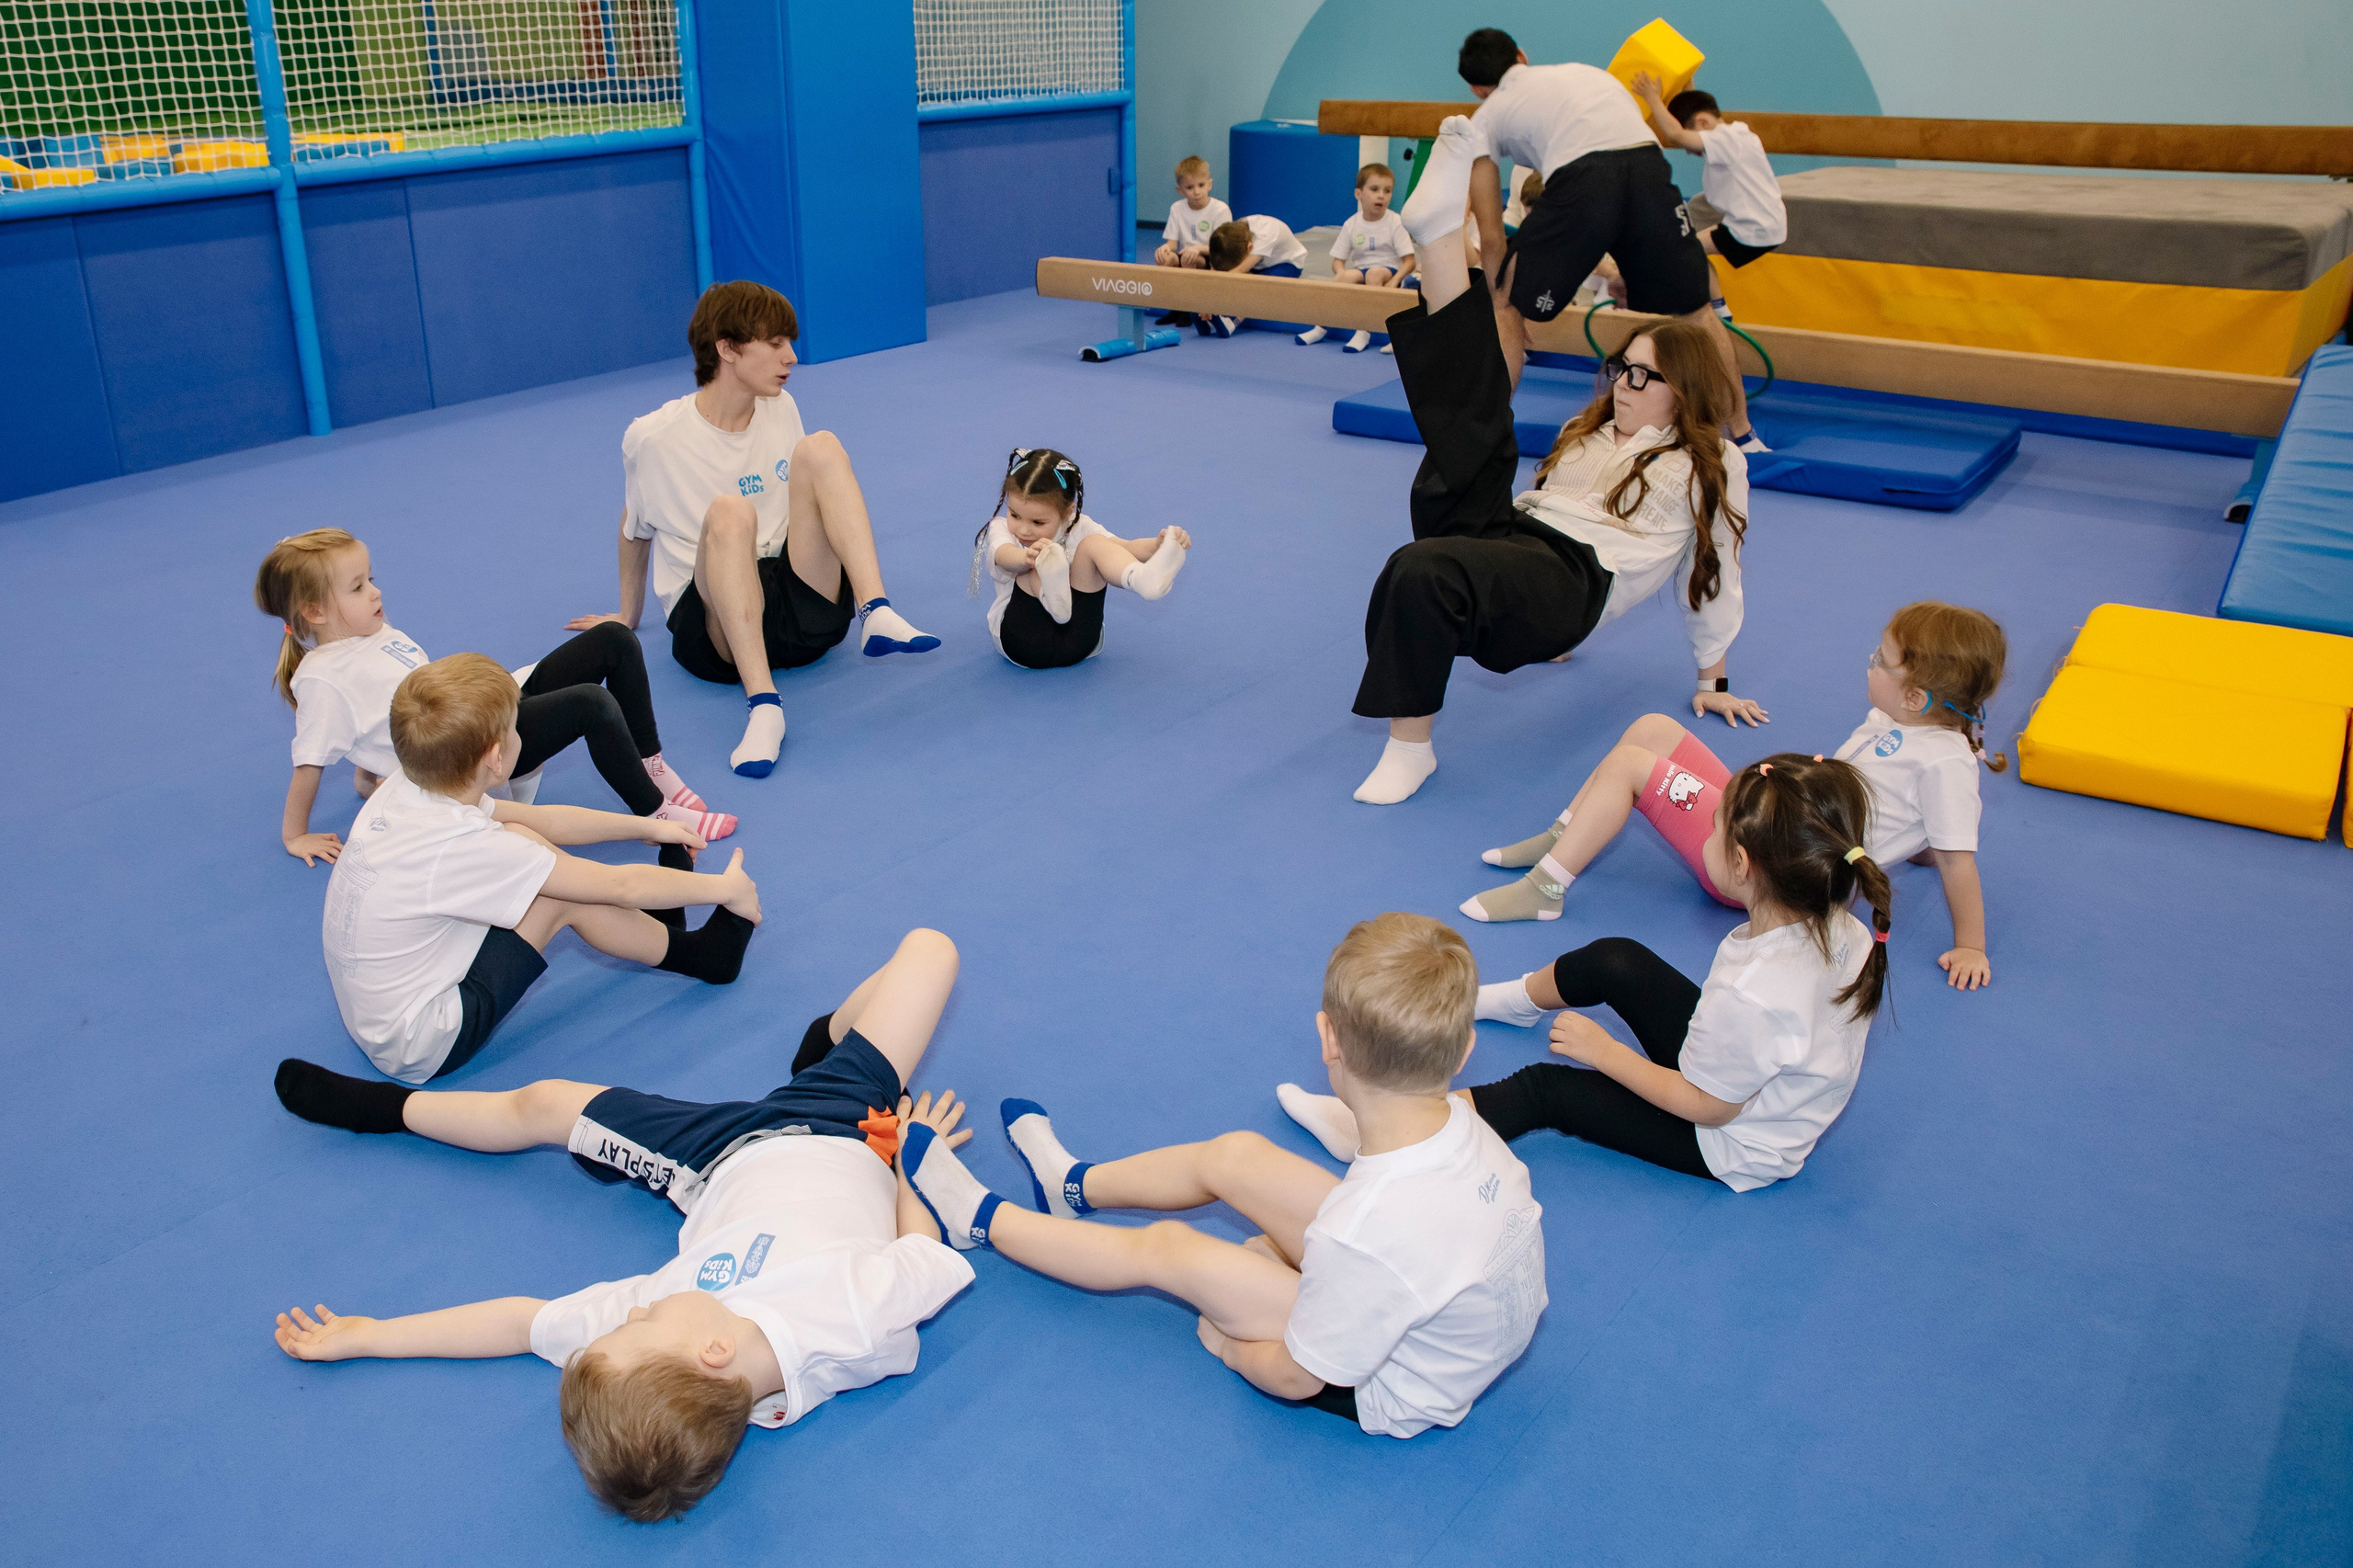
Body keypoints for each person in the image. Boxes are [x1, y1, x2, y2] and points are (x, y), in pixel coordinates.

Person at [269, 928, 973, 1523]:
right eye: (639, 1323)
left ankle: (392, 1109)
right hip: (841, 1127)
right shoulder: (851, 1319)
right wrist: (910, 1154)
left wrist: (371, 1336)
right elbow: (922, 1249)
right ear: (716, 1352)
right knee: (932, 950)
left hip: (706, 1160)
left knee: (545, 1104)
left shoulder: (649, 1357)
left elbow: (519, 1325)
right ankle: (825, 1050)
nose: (633, 1307)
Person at [898, 914, 1546, 1438]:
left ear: (1329, 1040)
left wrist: (1230, 1347)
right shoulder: (1466, 1132)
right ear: (1465, 1048)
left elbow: (1300, 1378)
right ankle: (1072, 1186)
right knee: (1236, 1156)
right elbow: (1393, 1243)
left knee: (1171, 1249)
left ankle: (978, 1219)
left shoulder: (1366, 1229)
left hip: (1390, 1381)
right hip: (1415, 1287)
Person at [1347, 116, 1761, 806]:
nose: (1621, 387)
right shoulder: (1590, 430)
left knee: (1419, 569)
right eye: (1620, 370)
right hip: (1520, 533)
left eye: (1642, 378)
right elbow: (1519, 510)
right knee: (1471, 438)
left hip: (1580, 574)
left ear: (1684, 392)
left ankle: (1408, 750)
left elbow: (1715, 567)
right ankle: (1440, 245)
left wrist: (1711, 679)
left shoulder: (1711, 462)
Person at [1283, 756, 1888, 1191]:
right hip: (1737, 1070)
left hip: (1733, 1138)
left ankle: (1372, 1130)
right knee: (1614, 959)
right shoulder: (1834, 922)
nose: (1703, 831)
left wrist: (1606, 1053)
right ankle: (1509, 1001)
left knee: (1549, 1089)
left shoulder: (1761, 995)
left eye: (1714, 826)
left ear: (1741, 864)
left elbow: (1710, 1107)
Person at [1464, 603, 2005, 988]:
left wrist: (1971, 945)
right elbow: (1897, 813)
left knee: (1633, 767)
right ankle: (1562, 838)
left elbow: (1959, 862)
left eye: (1880, 660)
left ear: (1917, 696)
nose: (1869, 662)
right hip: (1778, 827)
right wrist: (1921, 845)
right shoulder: (1896, 722)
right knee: (1653, 728)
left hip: (1764, 868)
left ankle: (1547, 889)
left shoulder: (1945, 762)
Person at [320, 653, 761, 1084]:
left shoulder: (414, 786)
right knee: (556, 891)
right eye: (516, 727)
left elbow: (542, 818)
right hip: (421, 1045)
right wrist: (724, 889)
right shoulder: (460, 844)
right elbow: (619, 886)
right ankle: (703, 957)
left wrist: (650, 827)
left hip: (376, 1018)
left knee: (532, 847)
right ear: (495, 758)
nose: (522, 733)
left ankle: (669, 939)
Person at [567, 280, 938, 782]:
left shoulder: (781, 407)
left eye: (790, 341)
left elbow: (810, 501)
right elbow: (635, 525)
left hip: (801, 616)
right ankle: (765, 707)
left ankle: (875, 609)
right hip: (716, 632)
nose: (792, 356)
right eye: (776, 342)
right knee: (730, 513)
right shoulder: (652, 437)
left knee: (822, 446)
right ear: (727, 348)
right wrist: (627, 615)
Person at [256, 528, 733, 869]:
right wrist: (295, 835)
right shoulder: (323, 679)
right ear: (315, 611)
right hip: (473, 755)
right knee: (591, 704)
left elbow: (380, 720)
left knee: (614, 640)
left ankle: (649, 763)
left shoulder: (373, 631)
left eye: (371, 578)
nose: (376, 591)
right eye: (358, 587)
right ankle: (655, 812)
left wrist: (369, 774)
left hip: (481, 713)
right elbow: (311, 761)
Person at [1454, 28, 1765, 449]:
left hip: (1582, 178)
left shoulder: (1485, 119)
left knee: (1505, 301)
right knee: (1697, 312)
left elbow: (1492, 237)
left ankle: (1480, 441)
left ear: (1477, 89)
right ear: (1522, 56)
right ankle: (1744, 435)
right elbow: (1617, 188)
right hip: (1648, 167)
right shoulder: (1588, 74)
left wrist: (1510, 299)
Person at [970, 448, 1190, 669]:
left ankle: (1141, 579)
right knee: (1041, 559)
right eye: (1015, 515)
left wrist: (1157, 546)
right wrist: (1028, 557)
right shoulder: (1000, 528)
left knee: (1094, 544)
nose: (1024, 530)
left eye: (1038, 522)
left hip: (1079, 642)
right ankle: (1052, 599)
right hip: (1023, 641)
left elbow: (1124, 547)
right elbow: (1003, 555)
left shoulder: (1077, 525)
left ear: (1067, 512)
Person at [1631, 77, 1788, 287]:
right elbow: (1698, 117)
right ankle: (1718, 308)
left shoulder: (1725, 140)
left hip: (1753, 231)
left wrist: (1652, 99)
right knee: (1690, 247)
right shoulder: (1736, 135)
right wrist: (1688, 88)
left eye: (1691, 141)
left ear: (1704, 123)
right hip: (1765, 225)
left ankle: (1715, 310)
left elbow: (1676, 135)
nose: (1688, 151)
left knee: (1683, 251)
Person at [1299, 164, 1415, 353]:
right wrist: (1341, 274)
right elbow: (1337, 261)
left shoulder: (1395, 221)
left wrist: (1395, 280)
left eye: (1387, 191)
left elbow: (1409, 261)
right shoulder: (1352, 224)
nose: (1381, 196)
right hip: (1362, 271)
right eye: (1374, 189)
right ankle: (1320, 327)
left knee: (1374, 274)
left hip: (1387, 270)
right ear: (1358, 194)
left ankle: (1364, 331)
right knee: (1345, 277)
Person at [1195, 215, 1311, 338]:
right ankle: (1208, 321)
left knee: (1256, 286)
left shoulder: (1267, 236)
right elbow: (1216, 269)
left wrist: (1212, 300)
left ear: (1249, 247)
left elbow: (1237, 272)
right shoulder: (1234, 234)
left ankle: (1232, 321)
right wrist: (1205, 301)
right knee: (1232, 275)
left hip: (1287, 264)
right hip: (1260, 264)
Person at [1152, 154, 1233, 326]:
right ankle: (1174, 308)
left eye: (1201, 185)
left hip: (1212, 257)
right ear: (1180, 190)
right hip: (1186, 254)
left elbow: (1223, 249)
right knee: (1165, 259)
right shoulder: (1177, 208)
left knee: (1190, 259)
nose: (1196, 192)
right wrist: (1164, 248)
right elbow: (1172, 244)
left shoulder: (1220, 209)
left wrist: (1197, 249)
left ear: (1209, 184)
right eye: (1190, 187)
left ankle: (1187, 310)